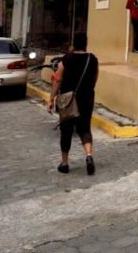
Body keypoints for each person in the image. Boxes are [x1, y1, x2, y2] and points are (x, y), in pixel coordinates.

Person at [49, 32, 99, 175]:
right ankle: (89, 155)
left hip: (68, 100)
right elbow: (95, 78)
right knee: (85, 129)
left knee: (66, 131)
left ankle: (64, 163)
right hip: (86, 99)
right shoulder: (93, 59)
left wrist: (51, 99)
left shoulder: (66, 59)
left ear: (73, 43)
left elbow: (57, 79)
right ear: (85, 43)